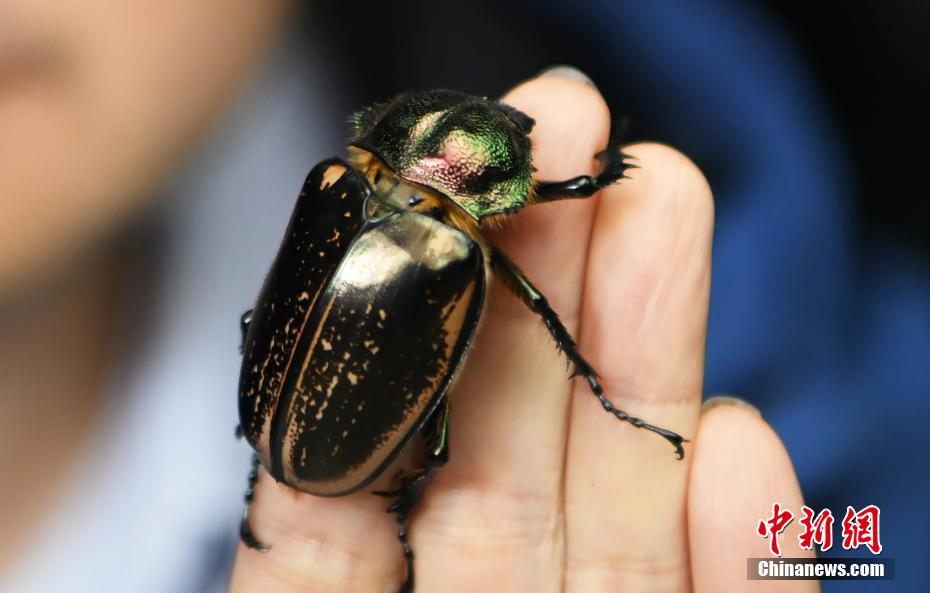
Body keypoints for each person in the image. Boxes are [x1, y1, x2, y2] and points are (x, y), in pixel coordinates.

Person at [0, 3, 815, 592]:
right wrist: (604, 174)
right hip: (323, 439)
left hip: (303, 437)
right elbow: (559, 207)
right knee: (466, 380)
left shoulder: (337, 184)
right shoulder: (447, 247)